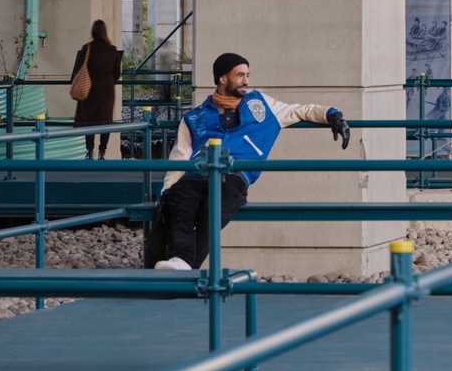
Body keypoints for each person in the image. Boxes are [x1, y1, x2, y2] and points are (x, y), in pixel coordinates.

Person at [149, 52, 350, 271]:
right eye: (240, 75)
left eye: (247, 75)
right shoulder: (194, 117)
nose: (246, 80)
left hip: (233, 175)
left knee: (214, 207)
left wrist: (332, 115)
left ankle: (182, 263)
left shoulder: (262, 105)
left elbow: (300, 111)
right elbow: (180, 155)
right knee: (180, 202)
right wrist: (167, 191)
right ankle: (181, 262)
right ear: (223, 78)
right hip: (197, 173)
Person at [71, 19, 123, 160]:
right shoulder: (112, 50)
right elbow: (117, 73)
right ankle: (102, 152)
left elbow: (78, 69)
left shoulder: (87, 48)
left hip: (89, 89)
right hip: (107, 89)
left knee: (90, 119)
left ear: (93, 32)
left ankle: (89, 151)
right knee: (105, 120)